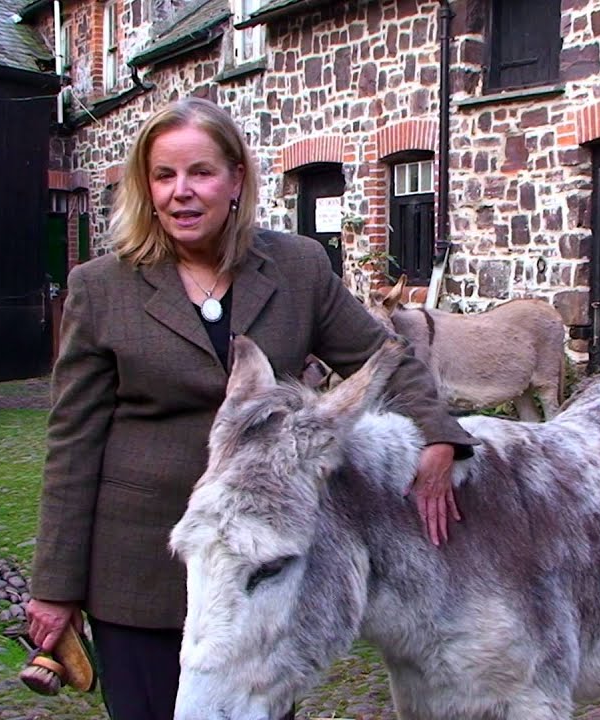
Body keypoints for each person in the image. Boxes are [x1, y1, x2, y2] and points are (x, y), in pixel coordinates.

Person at [25, 96, 478, 720]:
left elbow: (385, 358)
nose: (181, 193)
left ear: (236, 179)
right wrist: (54, 587)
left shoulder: (297, 266)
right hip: (141, 568)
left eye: (200, 173)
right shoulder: (101, 288)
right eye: (164, 175)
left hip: (263, 569)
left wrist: (439, 435)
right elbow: (72, 446)